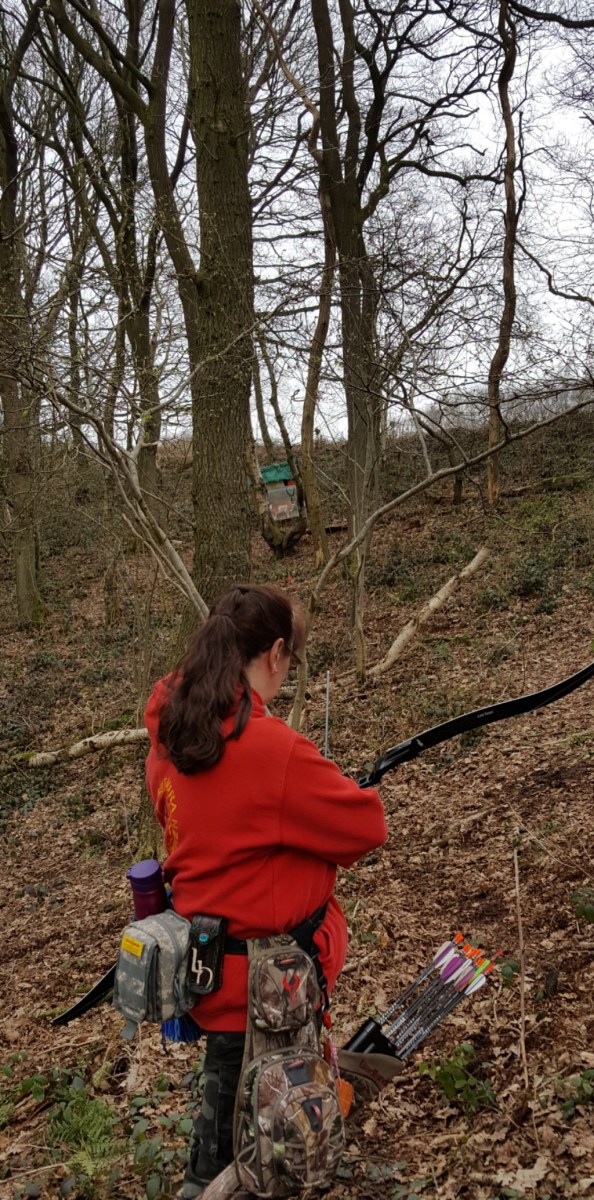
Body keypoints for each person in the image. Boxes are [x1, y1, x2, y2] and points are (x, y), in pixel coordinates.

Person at [144, 584, 387, 1199]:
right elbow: (367, 826)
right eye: (290, 659)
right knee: (235, 1173)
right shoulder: (271, 749)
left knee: (252, 1147)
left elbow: (227, 833)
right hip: (259, 1006)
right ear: (275, 654)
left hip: (217, 981)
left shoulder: (172, 733)